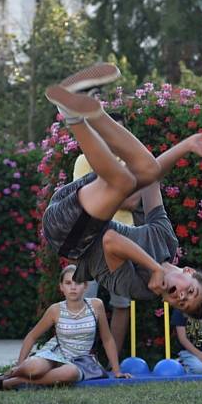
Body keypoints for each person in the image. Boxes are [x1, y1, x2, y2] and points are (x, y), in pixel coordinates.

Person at [42, 66, 202, 318]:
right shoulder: (166, 242)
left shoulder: (140, 289)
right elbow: (152, 180)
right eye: (189, 292)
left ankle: (72, 115)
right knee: (147, 170)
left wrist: (153, 268)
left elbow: (110, 241)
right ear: (189, 272)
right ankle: (86, 107)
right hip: (76, 201)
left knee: (125, 182)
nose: (181, 296)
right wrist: (186, 145)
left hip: (68, 235)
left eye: (182, 304)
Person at [0, 265, 128, 390]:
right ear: (61, 287)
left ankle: (14, 382)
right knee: (33, 368)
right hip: (55, 354)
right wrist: (19, 365)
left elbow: (107, 339)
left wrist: (116, 371)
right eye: (68, 283)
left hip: (80, 360)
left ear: (85, 286)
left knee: (69, 373)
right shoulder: (56, 310)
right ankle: (10, 374)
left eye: (78, 282)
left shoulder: (96, 305)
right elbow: (32, 336)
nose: (73, 287)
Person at [73, 152, 137, 354]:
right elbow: (82, 200)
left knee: (121, 302)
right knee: (84, 302)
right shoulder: (84, 160)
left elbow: (132, 202)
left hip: (123, 239)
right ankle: (85, 359)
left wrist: (104, 192)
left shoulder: (132, 160)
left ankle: (113, 362)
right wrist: (119, 191)